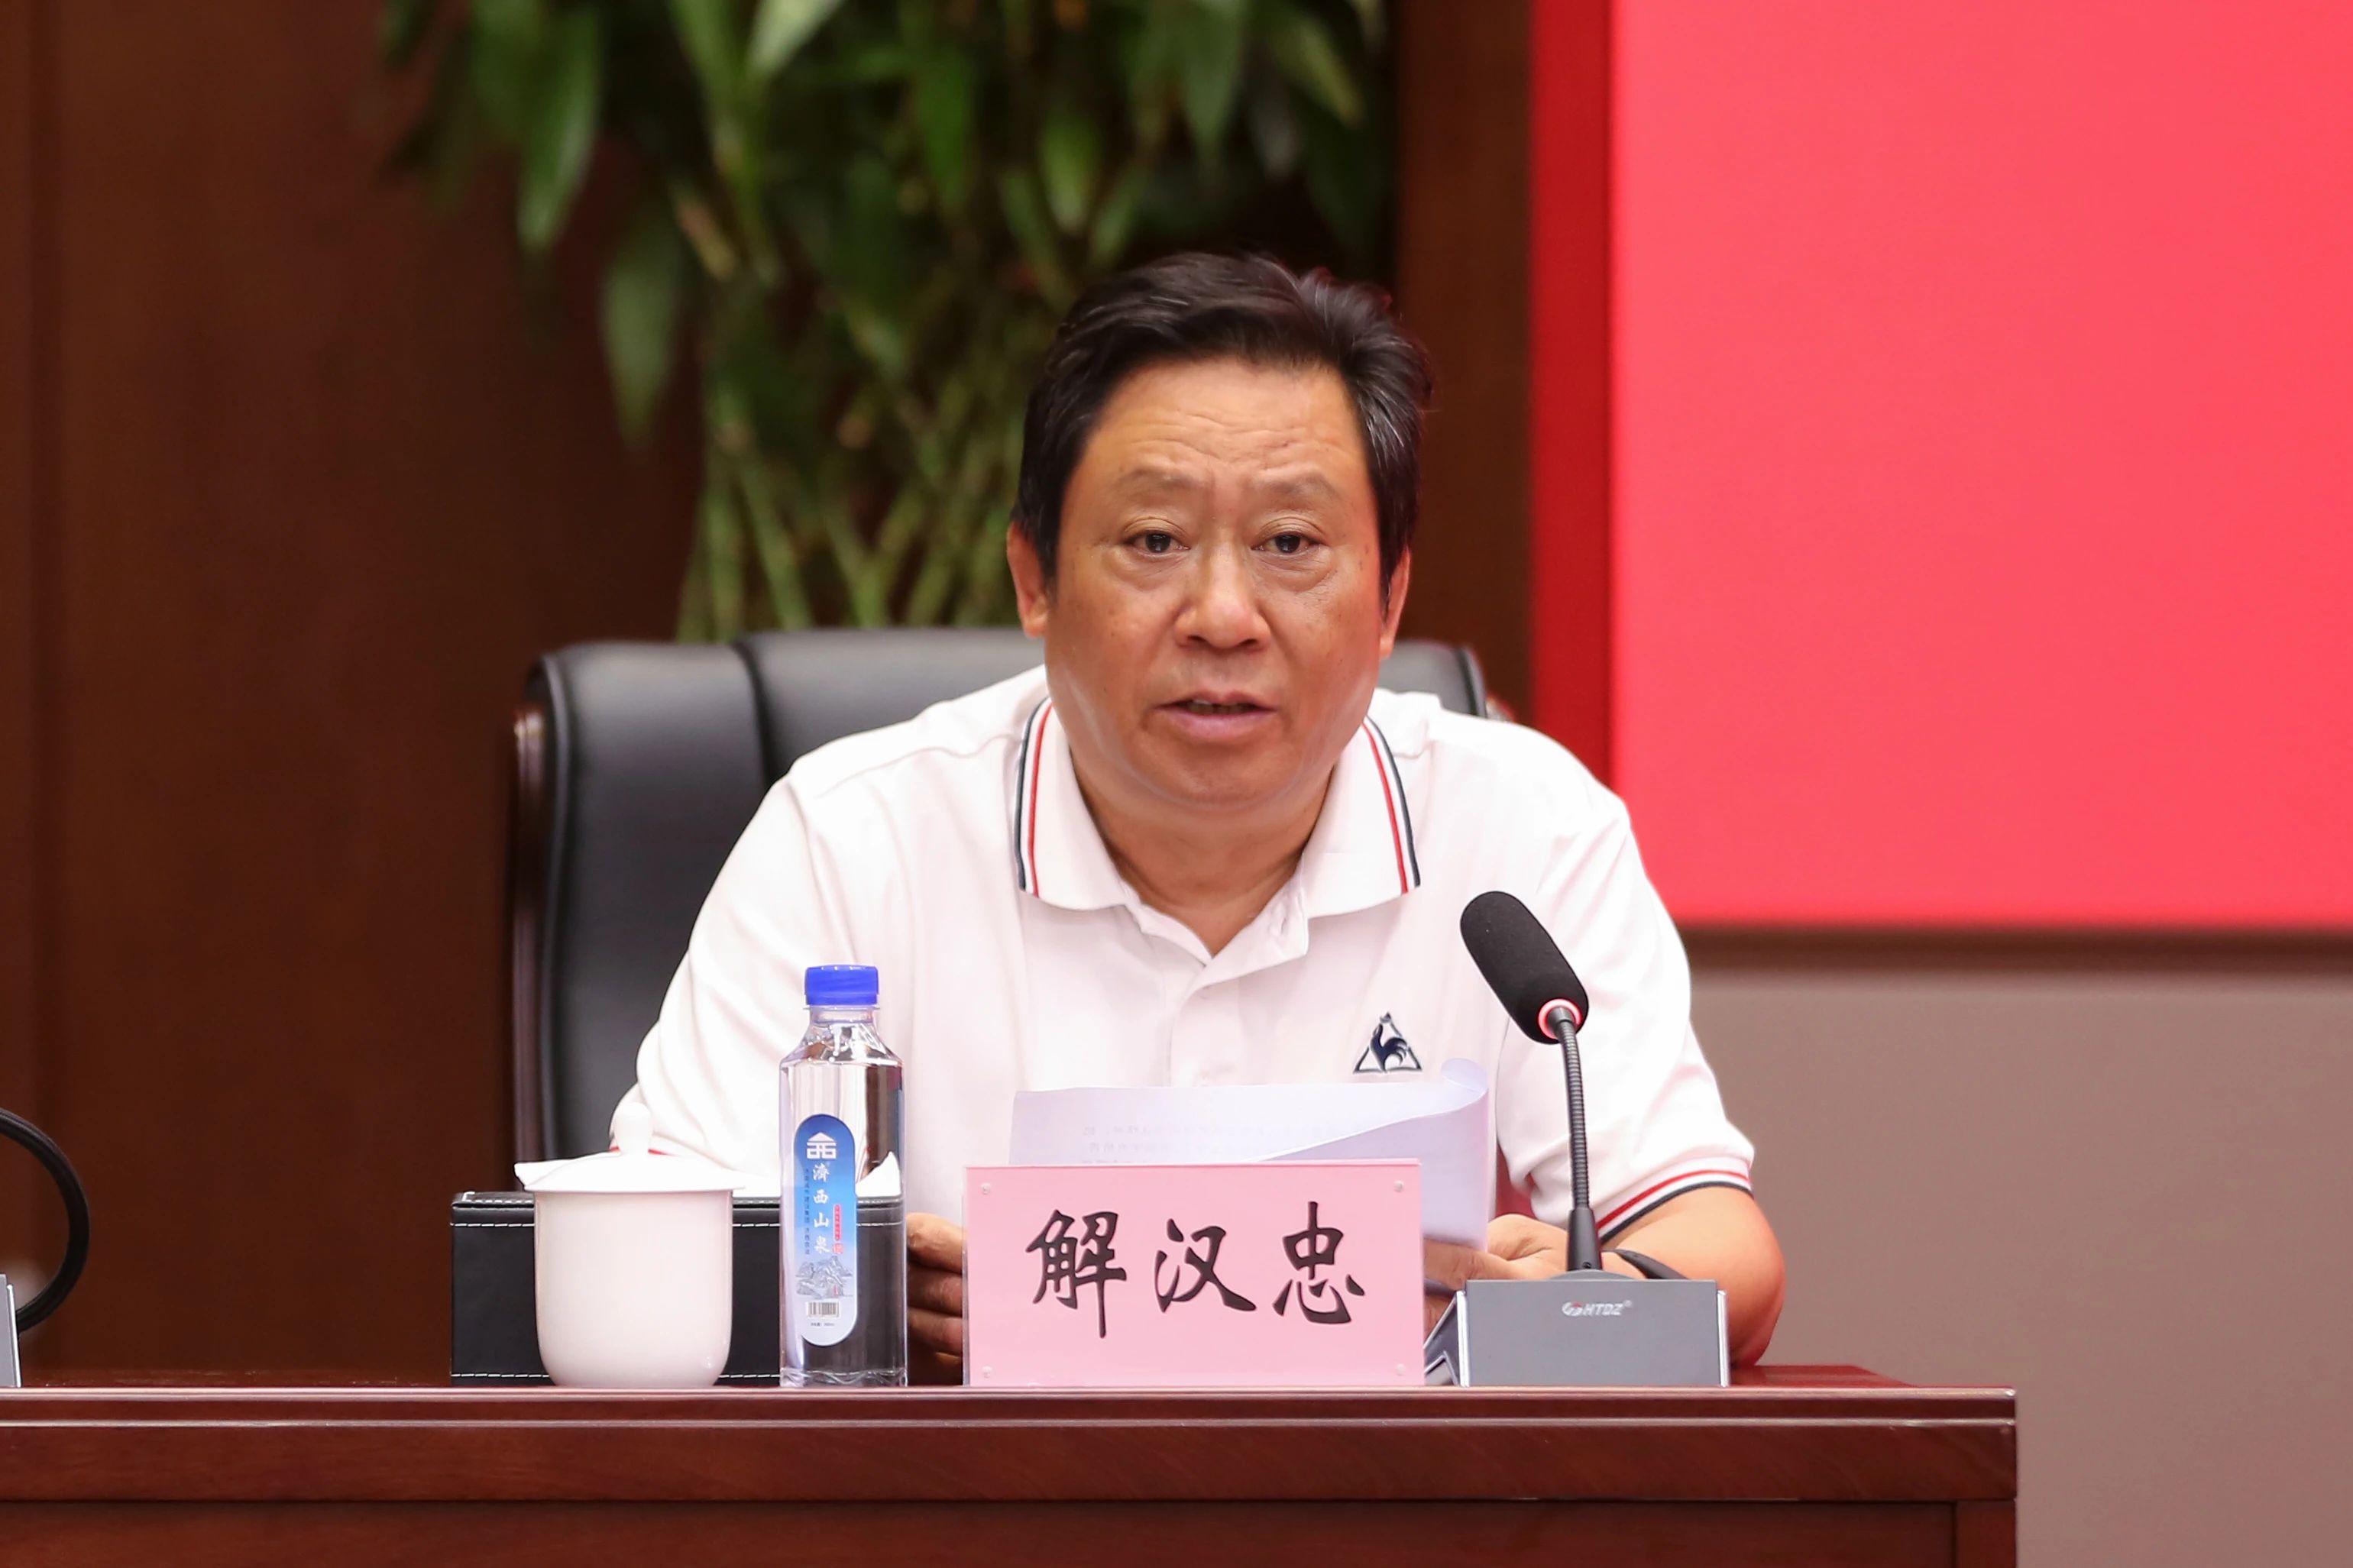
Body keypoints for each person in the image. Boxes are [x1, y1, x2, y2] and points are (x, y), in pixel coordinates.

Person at [618, 253, 1785, 1370]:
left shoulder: (1524, 825)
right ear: (1034, 578)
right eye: (1155, 540)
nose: (1223, 615)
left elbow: (1719, 1248)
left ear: (1390, 597)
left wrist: (1575, 1298)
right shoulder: (851, 836)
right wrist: (874, 1300)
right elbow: (653, 1242)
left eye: (1291, 543)